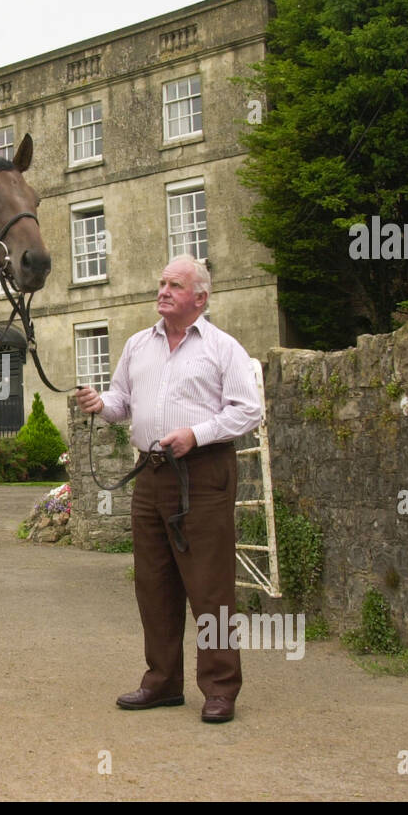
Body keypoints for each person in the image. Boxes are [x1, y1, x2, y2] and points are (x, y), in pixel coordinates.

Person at [76, 255, 262, 723]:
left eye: (174, 285)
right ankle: (161, 682)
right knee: (153, 584)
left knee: (209, 586)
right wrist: (101, 403)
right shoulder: (139, 345)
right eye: (160, 282)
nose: (162, 291)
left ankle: (220, 687)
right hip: (152, 474)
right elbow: (122, 403)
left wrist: (195, 434)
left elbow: (248, 410)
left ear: (199, 298)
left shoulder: (222, 348)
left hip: (202, 473)